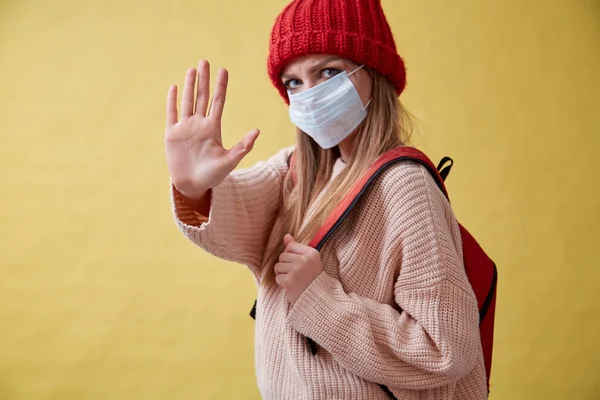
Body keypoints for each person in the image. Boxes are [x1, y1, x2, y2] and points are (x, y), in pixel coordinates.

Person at [164, 0, 488, 398]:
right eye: (294, 82)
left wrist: (320, 300)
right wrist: (193, 186)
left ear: (373, 72)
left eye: (329, 72)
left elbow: (447, 348)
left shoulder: (405, 187)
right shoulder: (296, 171)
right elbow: (231, 224)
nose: (309, 94)